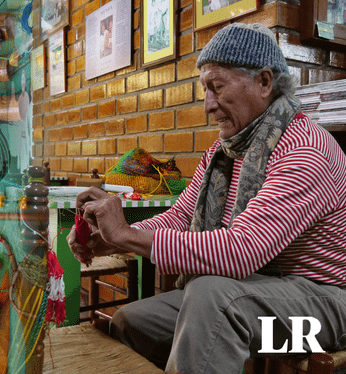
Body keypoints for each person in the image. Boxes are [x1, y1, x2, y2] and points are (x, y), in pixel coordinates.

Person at [67, 23, 346, 374]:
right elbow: (180, 216)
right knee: (131, 321)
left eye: (217, 87)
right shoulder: (223, 151)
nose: (208, 106)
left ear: (264, 82)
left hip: (322, 318)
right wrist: (111, 240)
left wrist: (128, 235)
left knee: (212, 298)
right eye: (205, 90)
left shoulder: (305, 148)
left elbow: (242, 250)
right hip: (255, 298)